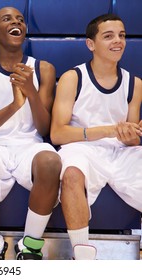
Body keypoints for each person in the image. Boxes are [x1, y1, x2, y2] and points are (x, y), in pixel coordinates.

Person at [0, 7, 61, 260]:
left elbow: (45, 129)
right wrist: (15, 106)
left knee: (51, 162)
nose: (16, 22)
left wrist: (31, 92)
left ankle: (30, 246)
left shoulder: (44, 70)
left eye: (20, 19)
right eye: (7, 19)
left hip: (31, 142)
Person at [50, 14, 142, 260]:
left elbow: (131, 138)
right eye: (109, 36)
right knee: (71, 174)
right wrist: (108, 130)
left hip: (120, 151)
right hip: (81, 147)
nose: (118, 41)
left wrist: (131, 135)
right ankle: (82, 258)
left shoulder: (135, 84)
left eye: (122, 36)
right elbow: (57, 133)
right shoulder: (73, 78)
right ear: (91, 44)